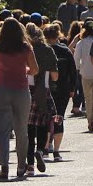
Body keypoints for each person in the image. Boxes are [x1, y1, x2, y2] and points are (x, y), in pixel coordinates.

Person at [0, 18, 37, 180]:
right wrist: (24, 69)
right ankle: (21, 166)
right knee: (21, 129)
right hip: (21, 90)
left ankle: (4, 166)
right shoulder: (26, 47)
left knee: (2, 130)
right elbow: (35, 69)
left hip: (1, 90)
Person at [26, 23, 57, 174]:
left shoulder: (25, 50)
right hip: (43, 90)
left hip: (26, 89)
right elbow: (55, 76)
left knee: (29, 128)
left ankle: (30, 165)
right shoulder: (48, 50)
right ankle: (40, 150)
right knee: (44, 122)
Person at [45, 24, 74, 161]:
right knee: (59, 117)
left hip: (46, 88)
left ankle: (46, 148)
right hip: (63, 88)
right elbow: (72, 71)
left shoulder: (42, 50)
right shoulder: (65, 51)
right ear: (58, 35)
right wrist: (72, 88)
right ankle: (56, 151)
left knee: (46, 118)